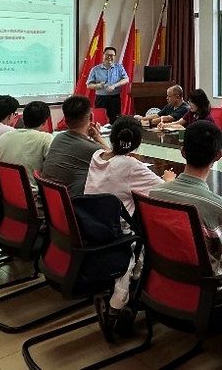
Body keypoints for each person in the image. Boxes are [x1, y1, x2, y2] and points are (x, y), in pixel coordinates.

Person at [86, 117, 175, 339]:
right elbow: (164, 192)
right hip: (120, 236)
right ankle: (122, 305)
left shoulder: (97, 157)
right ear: (137, 143)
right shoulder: (131, 166)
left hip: (92, 228)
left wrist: (100, 140)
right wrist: (169, 178)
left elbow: (113, 158)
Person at [148, 120, 222, 277]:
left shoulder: (154, 194)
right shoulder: (217, 206)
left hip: (162, 276)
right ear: (218, 156)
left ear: (182, 152)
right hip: (205, 285)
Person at [41, 95, 109, 196]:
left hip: (50, 199)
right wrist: (98, 137)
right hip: (73, 202)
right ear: (91, 117)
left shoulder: (58, 138)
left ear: (65, 120)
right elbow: (114, 159)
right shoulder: (93, 149)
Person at [0, 101, 54, 199]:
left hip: (5, 196)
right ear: (45, 121)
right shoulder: (46, 138)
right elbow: (53, 171)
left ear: (23, 118)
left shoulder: (3, 137)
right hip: (31, 199)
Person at [86, 46, 130, 125]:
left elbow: (126, 79)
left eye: (112, 55)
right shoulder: (95, 69)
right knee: (100, 121)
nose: (109, 57)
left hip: (115, 98)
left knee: (115, 121)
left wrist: (115, 85)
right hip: (101, 98)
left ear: (114, 56)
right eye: (107, 55)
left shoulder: (119, 67)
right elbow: (89, 85)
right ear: (103, 55)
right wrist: (98, 85)